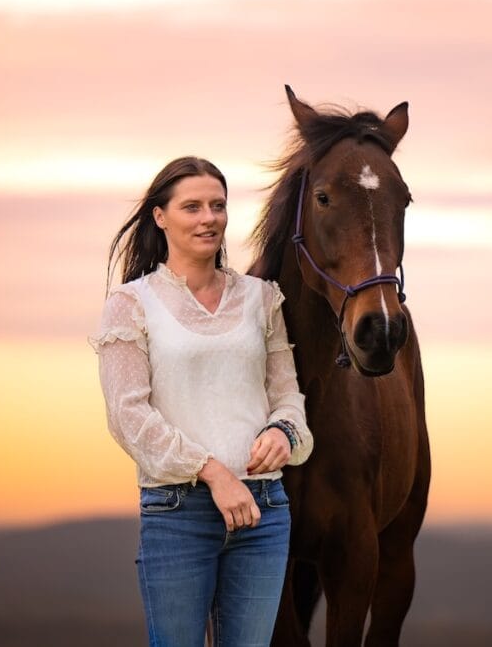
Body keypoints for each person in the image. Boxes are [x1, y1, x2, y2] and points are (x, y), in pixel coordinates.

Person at [87, 156, 313, 647]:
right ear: (160, 216)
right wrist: (213, 472)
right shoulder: (131, 304)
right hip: (178, 514)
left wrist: (283, 431)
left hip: (264, 512)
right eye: (192, 206)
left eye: (217, 205)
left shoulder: (262, 299)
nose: (208, 217)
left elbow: (287, 396)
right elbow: (130, 418)